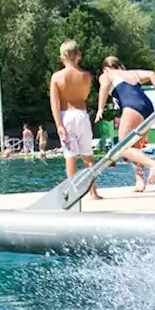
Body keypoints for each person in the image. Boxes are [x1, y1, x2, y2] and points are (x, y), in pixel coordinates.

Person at [96, 56, 155, 192]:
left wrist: (100, 109)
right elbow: (152, 74)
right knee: (135, 148)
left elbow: (104, 87)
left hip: (132, 107)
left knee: (123, 146)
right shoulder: (131, 73)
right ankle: (139, 181)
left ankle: (152, 164)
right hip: (148, 108)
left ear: (105, 68)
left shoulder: (107, 74)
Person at [50, 40, 102, 200]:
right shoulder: (86, 76)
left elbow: (55, 103)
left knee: (70, 156)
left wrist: (58, 124)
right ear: (78, 56)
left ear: (62, 56)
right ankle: (93, 192)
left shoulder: (57, 77)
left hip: (66, 116)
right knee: (88, 156)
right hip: (82, 115)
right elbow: (84, 96)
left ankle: (72, 193)